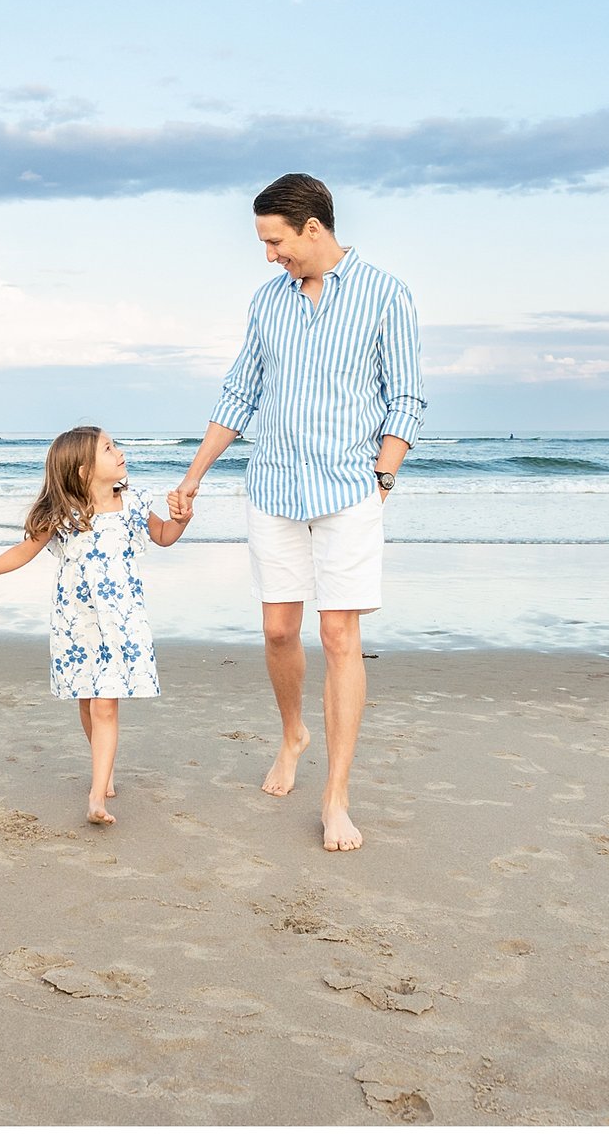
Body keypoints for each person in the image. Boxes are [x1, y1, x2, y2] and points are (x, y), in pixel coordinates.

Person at [168, 173, 423, 853]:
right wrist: (193, 476)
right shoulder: (267, 301)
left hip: (348, 490)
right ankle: (293, 733)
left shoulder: (385, 295)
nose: (269, 254)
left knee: (340, 636)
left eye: (274, 240)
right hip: (273, 487)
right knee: (281, 631)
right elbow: (240, 392)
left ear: (313, 227)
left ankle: (335, 796)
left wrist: (385, 475)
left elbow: (405, 397)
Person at [0, 427, 189, 826]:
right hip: (77, 623)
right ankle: (103, 765)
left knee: (105, 702)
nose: (120, 452)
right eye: (109, 449)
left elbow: (163, 536)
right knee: (87, 698)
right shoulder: (64, 515)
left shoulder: (132, 503)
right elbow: (22, 552)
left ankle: (97, 795)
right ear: (82, 471)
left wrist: (183, 519)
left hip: (121, 619)